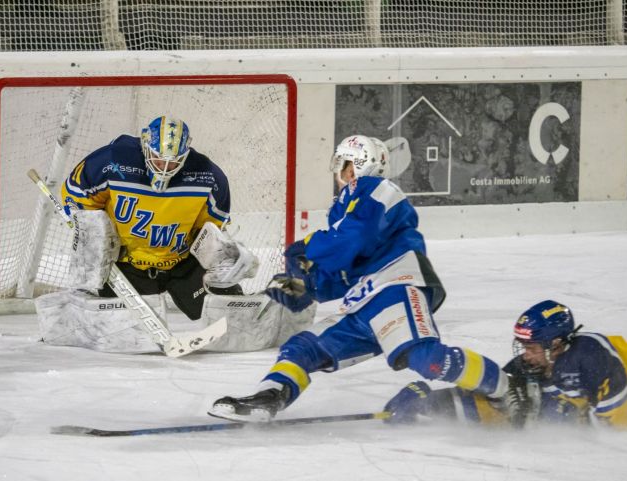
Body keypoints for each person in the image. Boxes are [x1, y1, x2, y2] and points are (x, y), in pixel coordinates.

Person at [208, 135, 512, 422]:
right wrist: (293, 286)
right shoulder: (345, 209)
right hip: (364, 302)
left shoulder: (379, 189)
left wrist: (309, 245)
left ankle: (507, 390)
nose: (340, 172)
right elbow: (338, 277)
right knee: (302, 348)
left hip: (396, 286)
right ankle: (269, 398)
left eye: (344, 164)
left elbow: (356, 240)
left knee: (425, 359)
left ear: (359, 164)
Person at [36, 115, 312, 354]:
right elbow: (76, 195)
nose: (164, 168)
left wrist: (226, 257)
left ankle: (283, 304)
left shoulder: (208, 177)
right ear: (145, 146)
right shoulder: (110, 162)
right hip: (128, 266)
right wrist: (92, 233)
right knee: (121, 334)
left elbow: (210, 231)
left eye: (173, 162)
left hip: (181, 264)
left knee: (232, 321)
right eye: (158, 158)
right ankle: (73, 311)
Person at [383, 299, 627, 429]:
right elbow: (492, 402)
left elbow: (624, 422)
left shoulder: (589, 354)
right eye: (522, 346)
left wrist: (562, 415)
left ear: (557, 344)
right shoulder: (528, 369)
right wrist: (427, 403)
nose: (526, 355)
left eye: (533, 347)